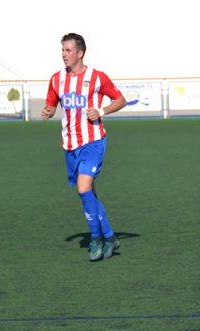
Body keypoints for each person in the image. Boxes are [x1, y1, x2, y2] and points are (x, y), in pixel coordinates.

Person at [41, 33, 127, 261]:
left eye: (68, 50)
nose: (63, 54)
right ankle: (110, 237)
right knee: (88, 193)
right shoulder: (56, 79)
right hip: (69, 144)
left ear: (80, 53)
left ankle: (96, 240)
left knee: (83, 188)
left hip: (93, 141)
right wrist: (48, 111)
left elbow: (121, 100)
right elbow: (51, 104)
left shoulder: (97, 77)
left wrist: (102, 111)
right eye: (62, 50)